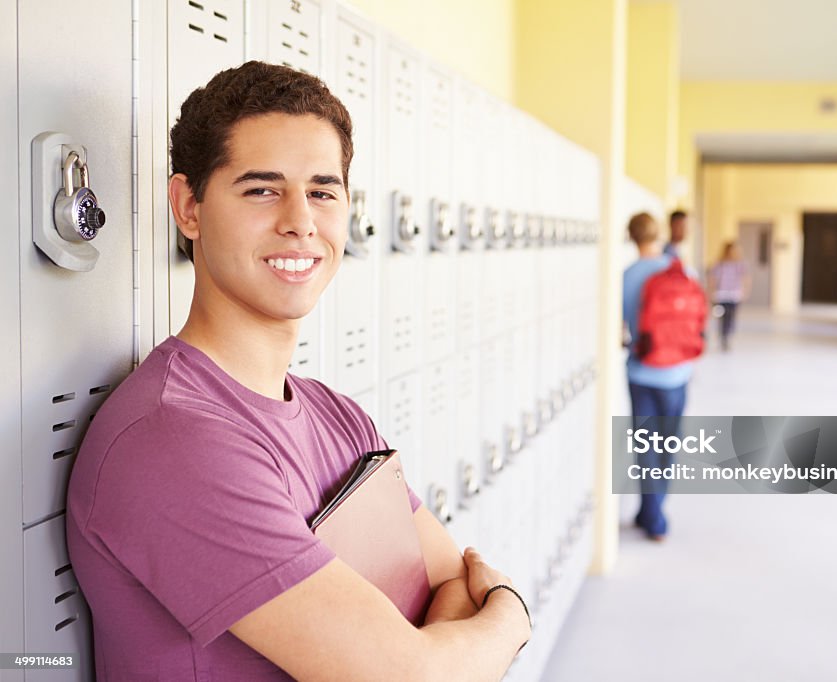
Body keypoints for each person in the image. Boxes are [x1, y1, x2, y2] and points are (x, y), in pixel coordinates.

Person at [65, 61, 529, 681]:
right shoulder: (171, 440)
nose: (300, 221)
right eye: (261, 189)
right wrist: (511, 616)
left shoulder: (339, 416)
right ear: (188, 207)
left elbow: (450, 584)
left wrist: (428, 649)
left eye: (322, 190)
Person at [623, 212, 700, 542]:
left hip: (642, 372)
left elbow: (623, 326)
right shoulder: (681, 269)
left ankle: (651, 515)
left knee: (646, 444)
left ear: (631, 237)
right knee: (668, 442)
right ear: (658, 234)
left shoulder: (627, 275)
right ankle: (652, 512)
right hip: (678, 373)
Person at [707, 241, 750, 351]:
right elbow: (712, 279)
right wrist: (711, 293)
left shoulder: (740, 264)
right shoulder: (719, 264)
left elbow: (746, 278)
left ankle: (727, 336)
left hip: (734, 295)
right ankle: (723, 336)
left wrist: (745, 291)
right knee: (722, 317)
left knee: (731, 317)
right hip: (721, 295)